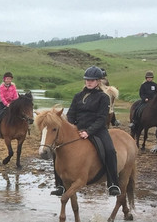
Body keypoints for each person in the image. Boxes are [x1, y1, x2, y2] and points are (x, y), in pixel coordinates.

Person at [51, 66, 120, 197]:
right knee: (57, 150)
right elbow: (71, 115)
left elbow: (101, 119)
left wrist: (88, 132)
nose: (89, 82)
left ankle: (113, 184)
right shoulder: (78, 96)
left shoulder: (103, 97)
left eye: (92, 80)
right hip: (78, 129)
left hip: (97, 130)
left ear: (98, 81)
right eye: (87, 79)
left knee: (110, 150)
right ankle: (60, 185)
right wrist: (72, 128)